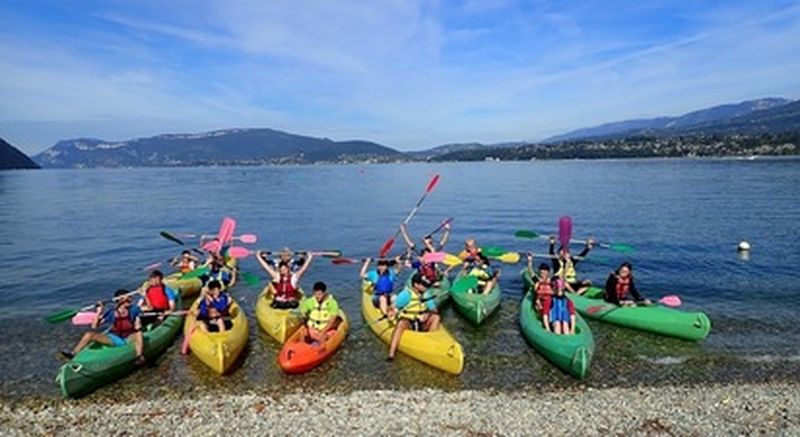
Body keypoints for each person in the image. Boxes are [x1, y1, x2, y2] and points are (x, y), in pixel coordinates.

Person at [59, 289, 145, 365]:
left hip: (128, 337)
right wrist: (99, 311)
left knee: (139, 334)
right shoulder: (111, 313)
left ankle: (139, 357)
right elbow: (94, 326)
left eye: (130, 298)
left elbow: (149, 307)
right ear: (120, 300)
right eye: (128, 298)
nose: (130, 300)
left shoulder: (134, 309)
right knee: (89, 334)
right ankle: (73, 354)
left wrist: (143, 294)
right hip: (114, 338)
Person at [387, 274, 440, 361]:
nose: (426, 287)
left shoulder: (426, 295)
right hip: (408, 321)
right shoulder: (406, 295)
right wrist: (391, 312)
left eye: (427, 285)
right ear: (416, 285)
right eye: (423, 285)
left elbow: (434, 310)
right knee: (401, 324)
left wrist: (427, 313)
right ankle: (391, 354)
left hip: (421, 322)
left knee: (436, 317)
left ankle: (431, 343)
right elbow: (392, 307)